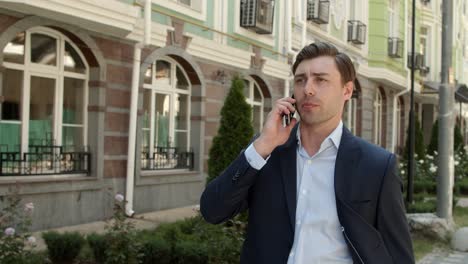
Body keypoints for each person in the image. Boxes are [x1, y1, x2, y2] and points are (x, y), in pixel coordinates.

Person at [200, 42, 414, 264]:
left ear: (347, 90)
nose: (308, 89)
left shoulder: (376, 165)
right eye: (301, 80)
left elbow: (399, 255)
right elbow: (212, 211)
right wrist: (262, 145)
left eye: (320, 80)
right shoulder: (267, 152)